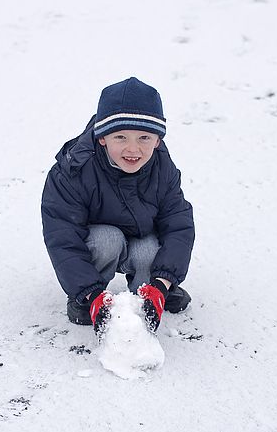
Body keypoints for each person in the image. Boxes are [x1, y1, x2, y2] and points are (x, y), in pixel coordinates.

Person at [41, 76, 195, 336]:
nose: (133, 149)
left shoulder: (162, 168)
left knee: (149, 250)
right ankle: (87, 297)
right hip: (99, 244)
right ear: (102, 138)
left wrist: (163, 281)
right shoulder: (73, 171)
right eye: (120, 137)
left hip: (139, 239)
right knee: (107, 240)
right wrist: (89, 291)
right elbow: (62, 235)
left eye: (144, 137)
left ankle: (150, 294)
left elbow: (178, 224)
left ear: (158, 140)